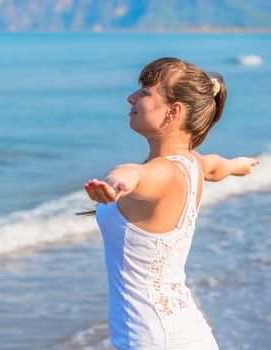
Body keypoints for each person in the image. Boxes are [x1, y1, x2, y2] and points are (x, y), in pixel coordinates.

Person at [83, 57, 259, 349]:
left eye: (145, 92)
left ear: (173, 111)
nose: (131, 97)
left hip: (154, 339)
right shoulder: (192, 164)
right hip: (187, 332)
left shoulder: (162, 172)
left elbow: (134, 173)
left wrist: (115, 184)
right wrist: (238, 164)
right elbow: (217, 167)